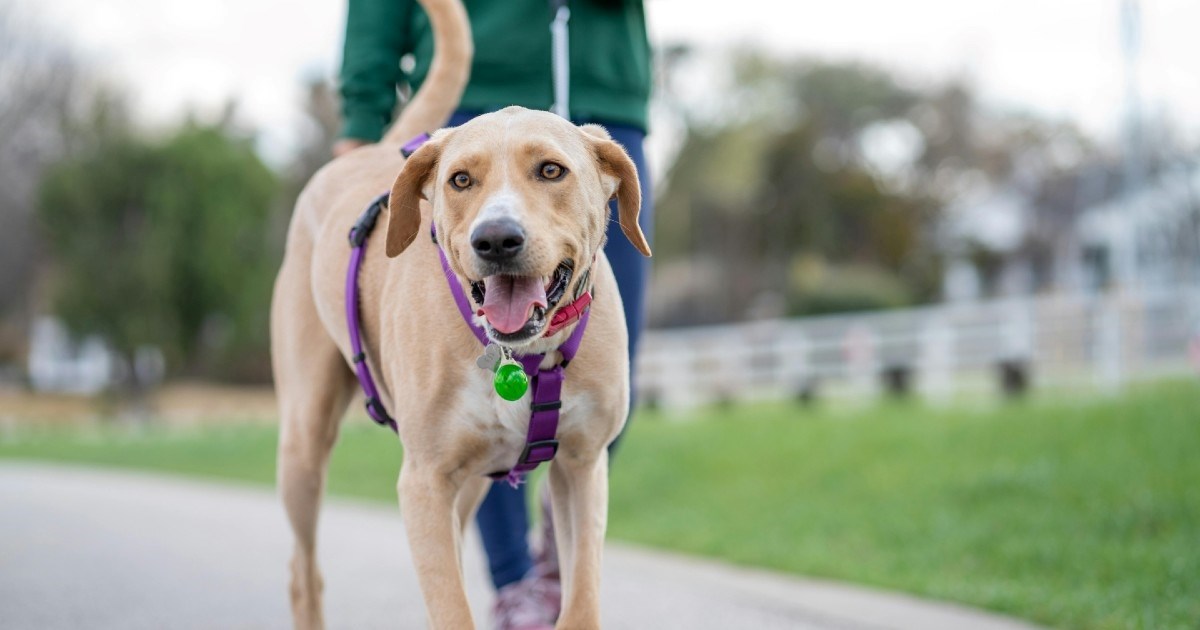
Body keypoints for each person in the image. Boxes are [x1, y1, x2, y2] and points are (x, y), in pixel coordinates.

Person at [335, 1, 653, 628]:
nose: (500, 223)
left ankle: (558, 571)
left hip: (601, 89)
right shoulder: (452, 164)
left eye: (549, 173)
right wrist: (360, 115)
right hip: (466, 99)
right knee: (475, 396)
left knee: (604, 382)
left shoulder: (605, 160)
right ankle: (516, 586)